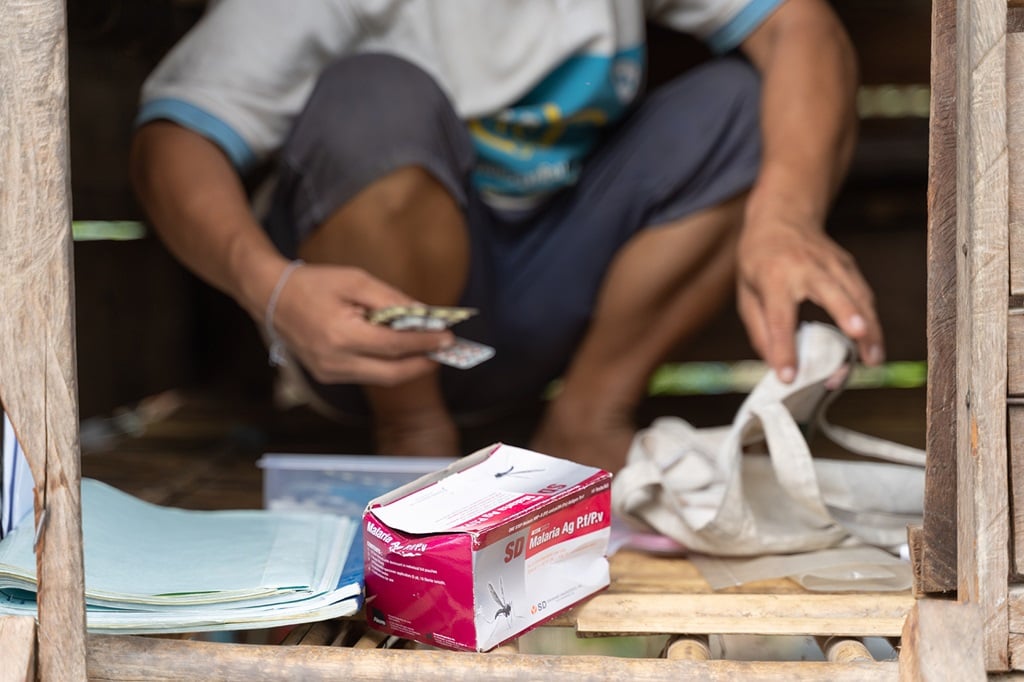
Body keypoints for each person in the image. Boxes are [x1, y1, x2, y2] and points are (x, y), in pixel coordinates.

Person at [130, 0, 883, 473]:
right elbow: (172, 138)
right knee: (373, 98)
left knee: (748, 110)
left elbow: (802, 27)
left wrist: (786, 215)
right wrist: (272, 288)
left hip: (551, 297)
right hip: (362, 341)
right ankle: (413, 434)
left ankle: (586, 421)